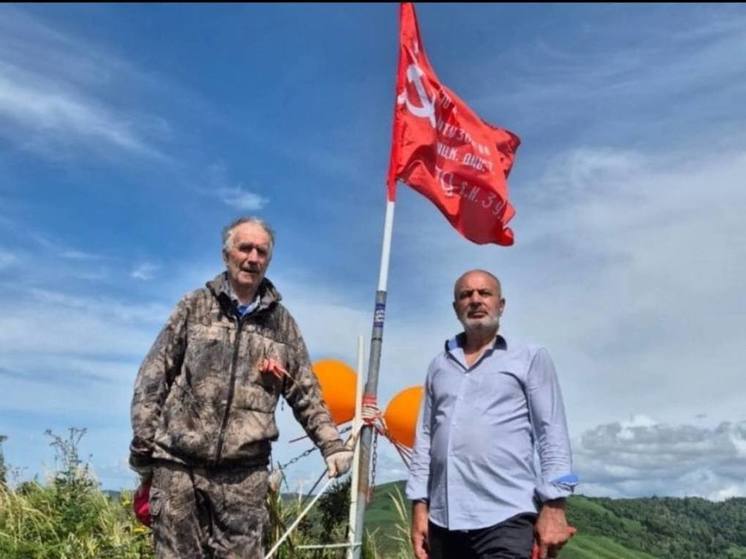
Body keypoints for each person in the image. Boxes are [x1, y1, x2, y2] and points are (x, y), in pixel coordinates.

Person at [129, 216, 353, 559]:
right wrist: (145, 451)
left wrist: (332, 445)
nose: (253, 257)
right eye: (244, 248)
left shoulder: (282, 325)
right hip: (178, 466)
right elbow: (153, 377)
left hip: (244, 476)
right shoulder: (194, 306)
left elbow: (305, 391)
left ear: (269, 260)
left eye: (261, 251)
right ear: (226, 255)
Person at [406, 270, 578, 559]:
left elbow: (552, 432)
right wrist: (420, 506)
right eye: (465, 295)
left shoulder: (530, 357)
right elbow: (425, 439)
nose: (475, 300)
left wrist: (555, 506)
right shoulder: (439, 365)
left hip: (506, 517)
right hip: (443, 522)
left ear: (501, 304)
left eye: (484, 293)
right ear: (455, 308)